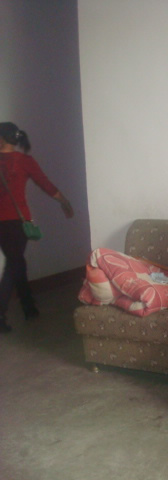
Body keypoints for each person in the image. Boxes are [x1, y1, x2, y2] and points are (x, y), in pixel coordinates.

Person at [0, 122, 74, 333]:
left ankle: (29, 307)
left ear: (2, 139)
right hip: (17, 221)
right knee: (14, 263)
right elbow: (45, 183)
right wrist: (65, 201)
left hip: (5, 223)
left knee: (15, 262)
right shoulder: (25, 161)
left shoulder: (23, 160)